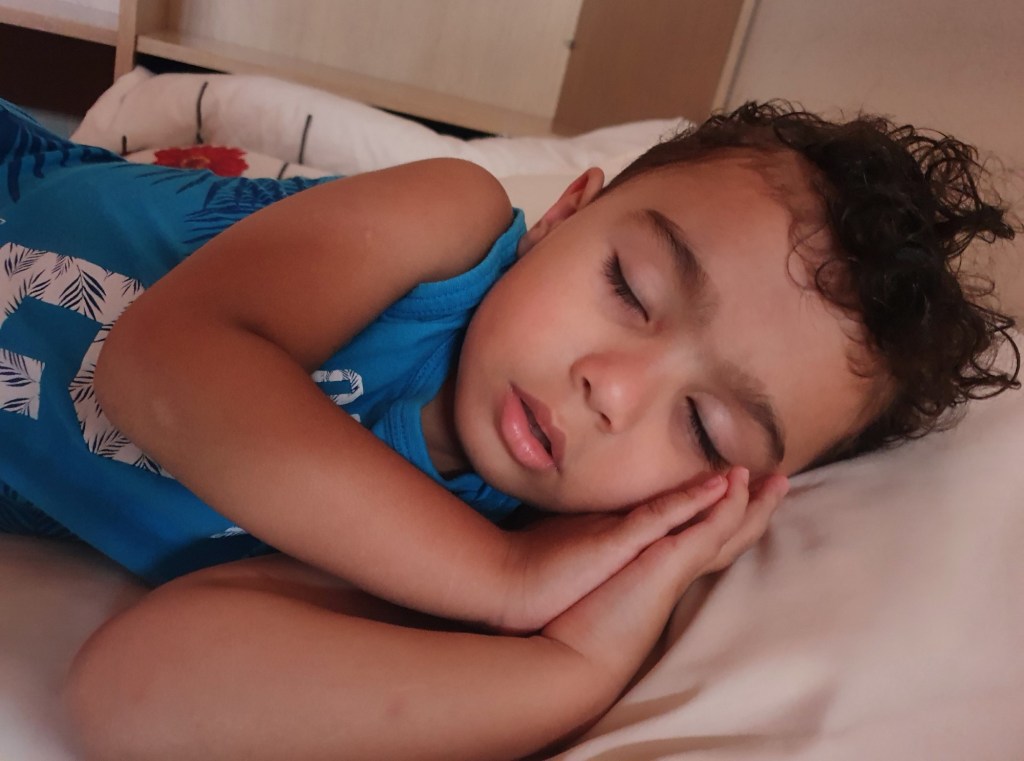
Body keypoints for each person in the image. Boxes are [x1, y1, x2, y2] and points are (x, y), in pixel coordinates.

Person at [0, 98, 1017, 759]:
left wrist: (568, 665)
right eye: (629, 286)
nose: (613, 390)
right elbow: (157, 367)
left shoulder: (456, 557)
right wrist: (498, 577)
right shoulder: (450, 226)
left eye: (705, 429)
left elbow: (130, 698)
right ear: (564, 215)